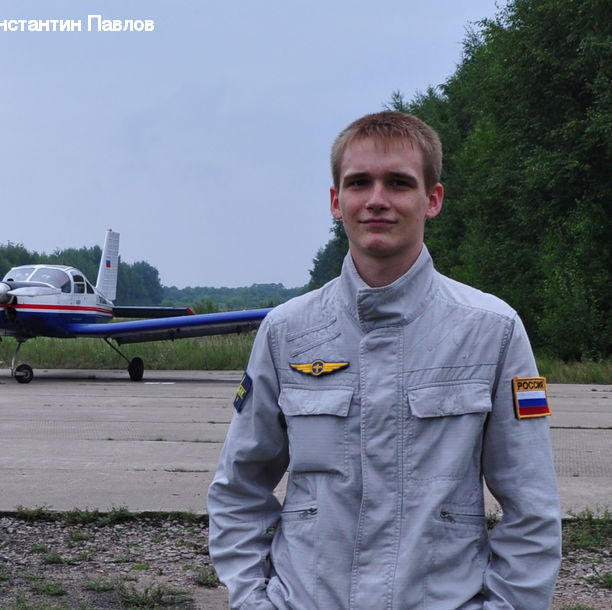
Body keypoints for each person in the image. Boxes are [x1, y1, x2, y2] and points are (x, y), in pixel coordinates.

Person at [207, 111, 561, 609]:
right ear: (336, 201)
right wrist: (252, 600)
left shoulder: (493, 331)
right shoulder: (287, 332)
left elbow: (532, 509)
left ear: (431, 199)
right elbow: (239, 489)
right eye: (358, 183)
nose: (377, 200)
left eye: (398, 183)